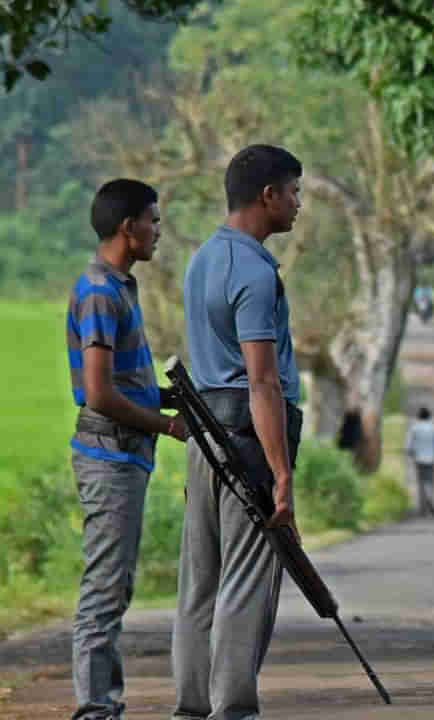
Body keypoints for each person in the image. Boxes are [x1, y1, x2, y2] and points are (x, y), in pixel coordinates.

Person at [171, 144, 304, 720]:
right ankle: (234, 707)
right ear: (268, 195)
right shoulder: (254, 270)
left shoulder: (202, 258)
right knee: (247, 577)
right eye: (294, 192)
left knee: (201, 577)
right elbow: (262, 381)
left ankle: (192, 704)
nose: (298, 205)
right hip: (248, 437)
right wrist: (280, 474)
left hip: (205, 435)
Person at [66, 178, 189, 720]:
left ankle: (102, 704)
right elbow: (99, 393)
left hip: (126, 457)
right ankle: (95, 709)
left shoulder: (119, 288)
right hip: (109, 457)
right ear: (127, 227)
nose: (158, 231)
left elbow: (125, 383)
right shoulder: (99, 292)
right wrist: (165, 424)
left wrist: (177, 397)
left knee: (116, 584)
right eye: (154, 221)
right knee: (106, 587)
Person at [405, 406, 434, 516]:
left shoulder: (414, 428)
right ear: (429, 416)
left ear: (418, 416)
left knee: (421, 483)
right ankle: (430, 498)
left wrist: (411, 455)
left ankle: (423, 508)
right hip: (431, 459)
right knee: (430, 482)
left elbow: (409, 446)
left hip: (419, 459)